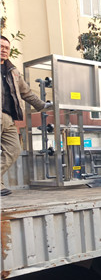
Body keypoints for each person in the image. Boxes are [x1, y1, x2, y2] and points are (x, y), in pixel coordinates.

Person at [1, 36, 51, 196]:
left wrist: (41, 105)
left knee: (14, 149)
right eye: (1, 46)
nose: (3, 50)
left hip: (8, 117)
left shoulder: (13, 71)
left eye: (6, 48)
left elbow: (26, 92)